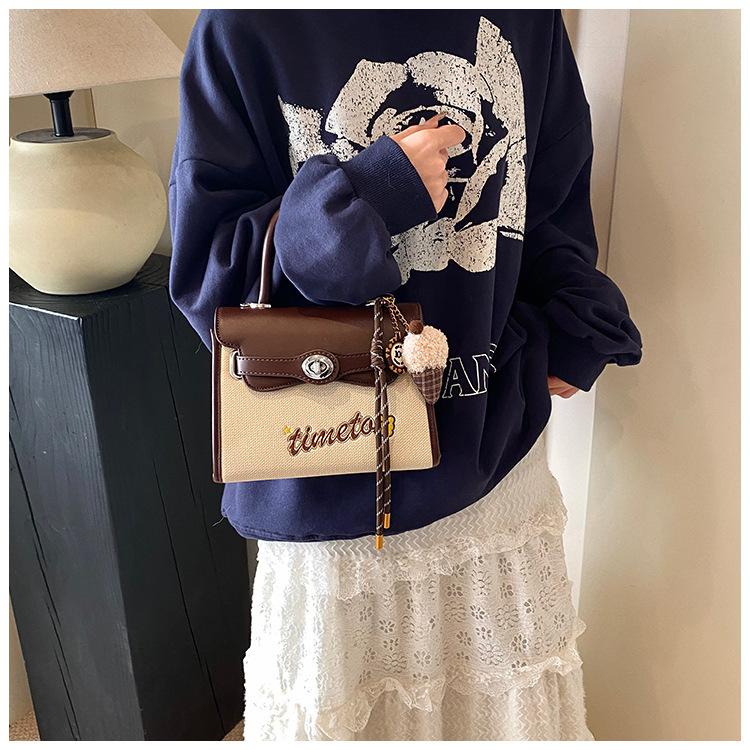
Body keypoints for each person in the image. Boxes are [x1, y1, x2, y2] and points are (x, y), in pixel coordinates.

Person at [168, 10, 642, 741]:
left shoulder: (526, 18)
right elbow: (213, 280)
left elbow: (548, 207)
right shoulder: (248, 24)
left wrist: (572, 329)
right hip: (332, 485)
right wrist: (369, 193)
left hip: (495, 470)